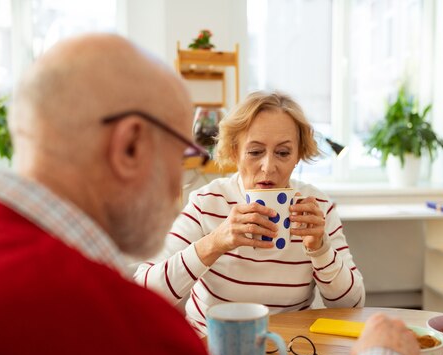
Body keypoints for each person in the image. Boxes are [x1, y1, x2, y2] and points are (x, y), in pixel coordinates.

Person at [0, 33, 419, 355]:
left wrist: (320, 248)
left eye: (284, 152)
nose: (178, 186)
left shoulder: (15, 265)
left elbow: (349, 299)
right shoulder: (123, 320)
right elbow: (149, 290)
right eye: (181, 154)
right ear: (130, 148)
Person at [136, 91, 365, 334]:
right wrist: (214, 243)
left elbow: (352, 306)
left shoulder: (316, 207)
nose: (268, 167)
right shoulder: (208, 203)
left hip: (290, 349)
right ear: (235, 153)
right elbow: (141, 294)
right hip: (212, 348)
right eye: (255, 152)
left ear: (298, 156)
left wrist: (321, 250)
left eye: (283, 153)